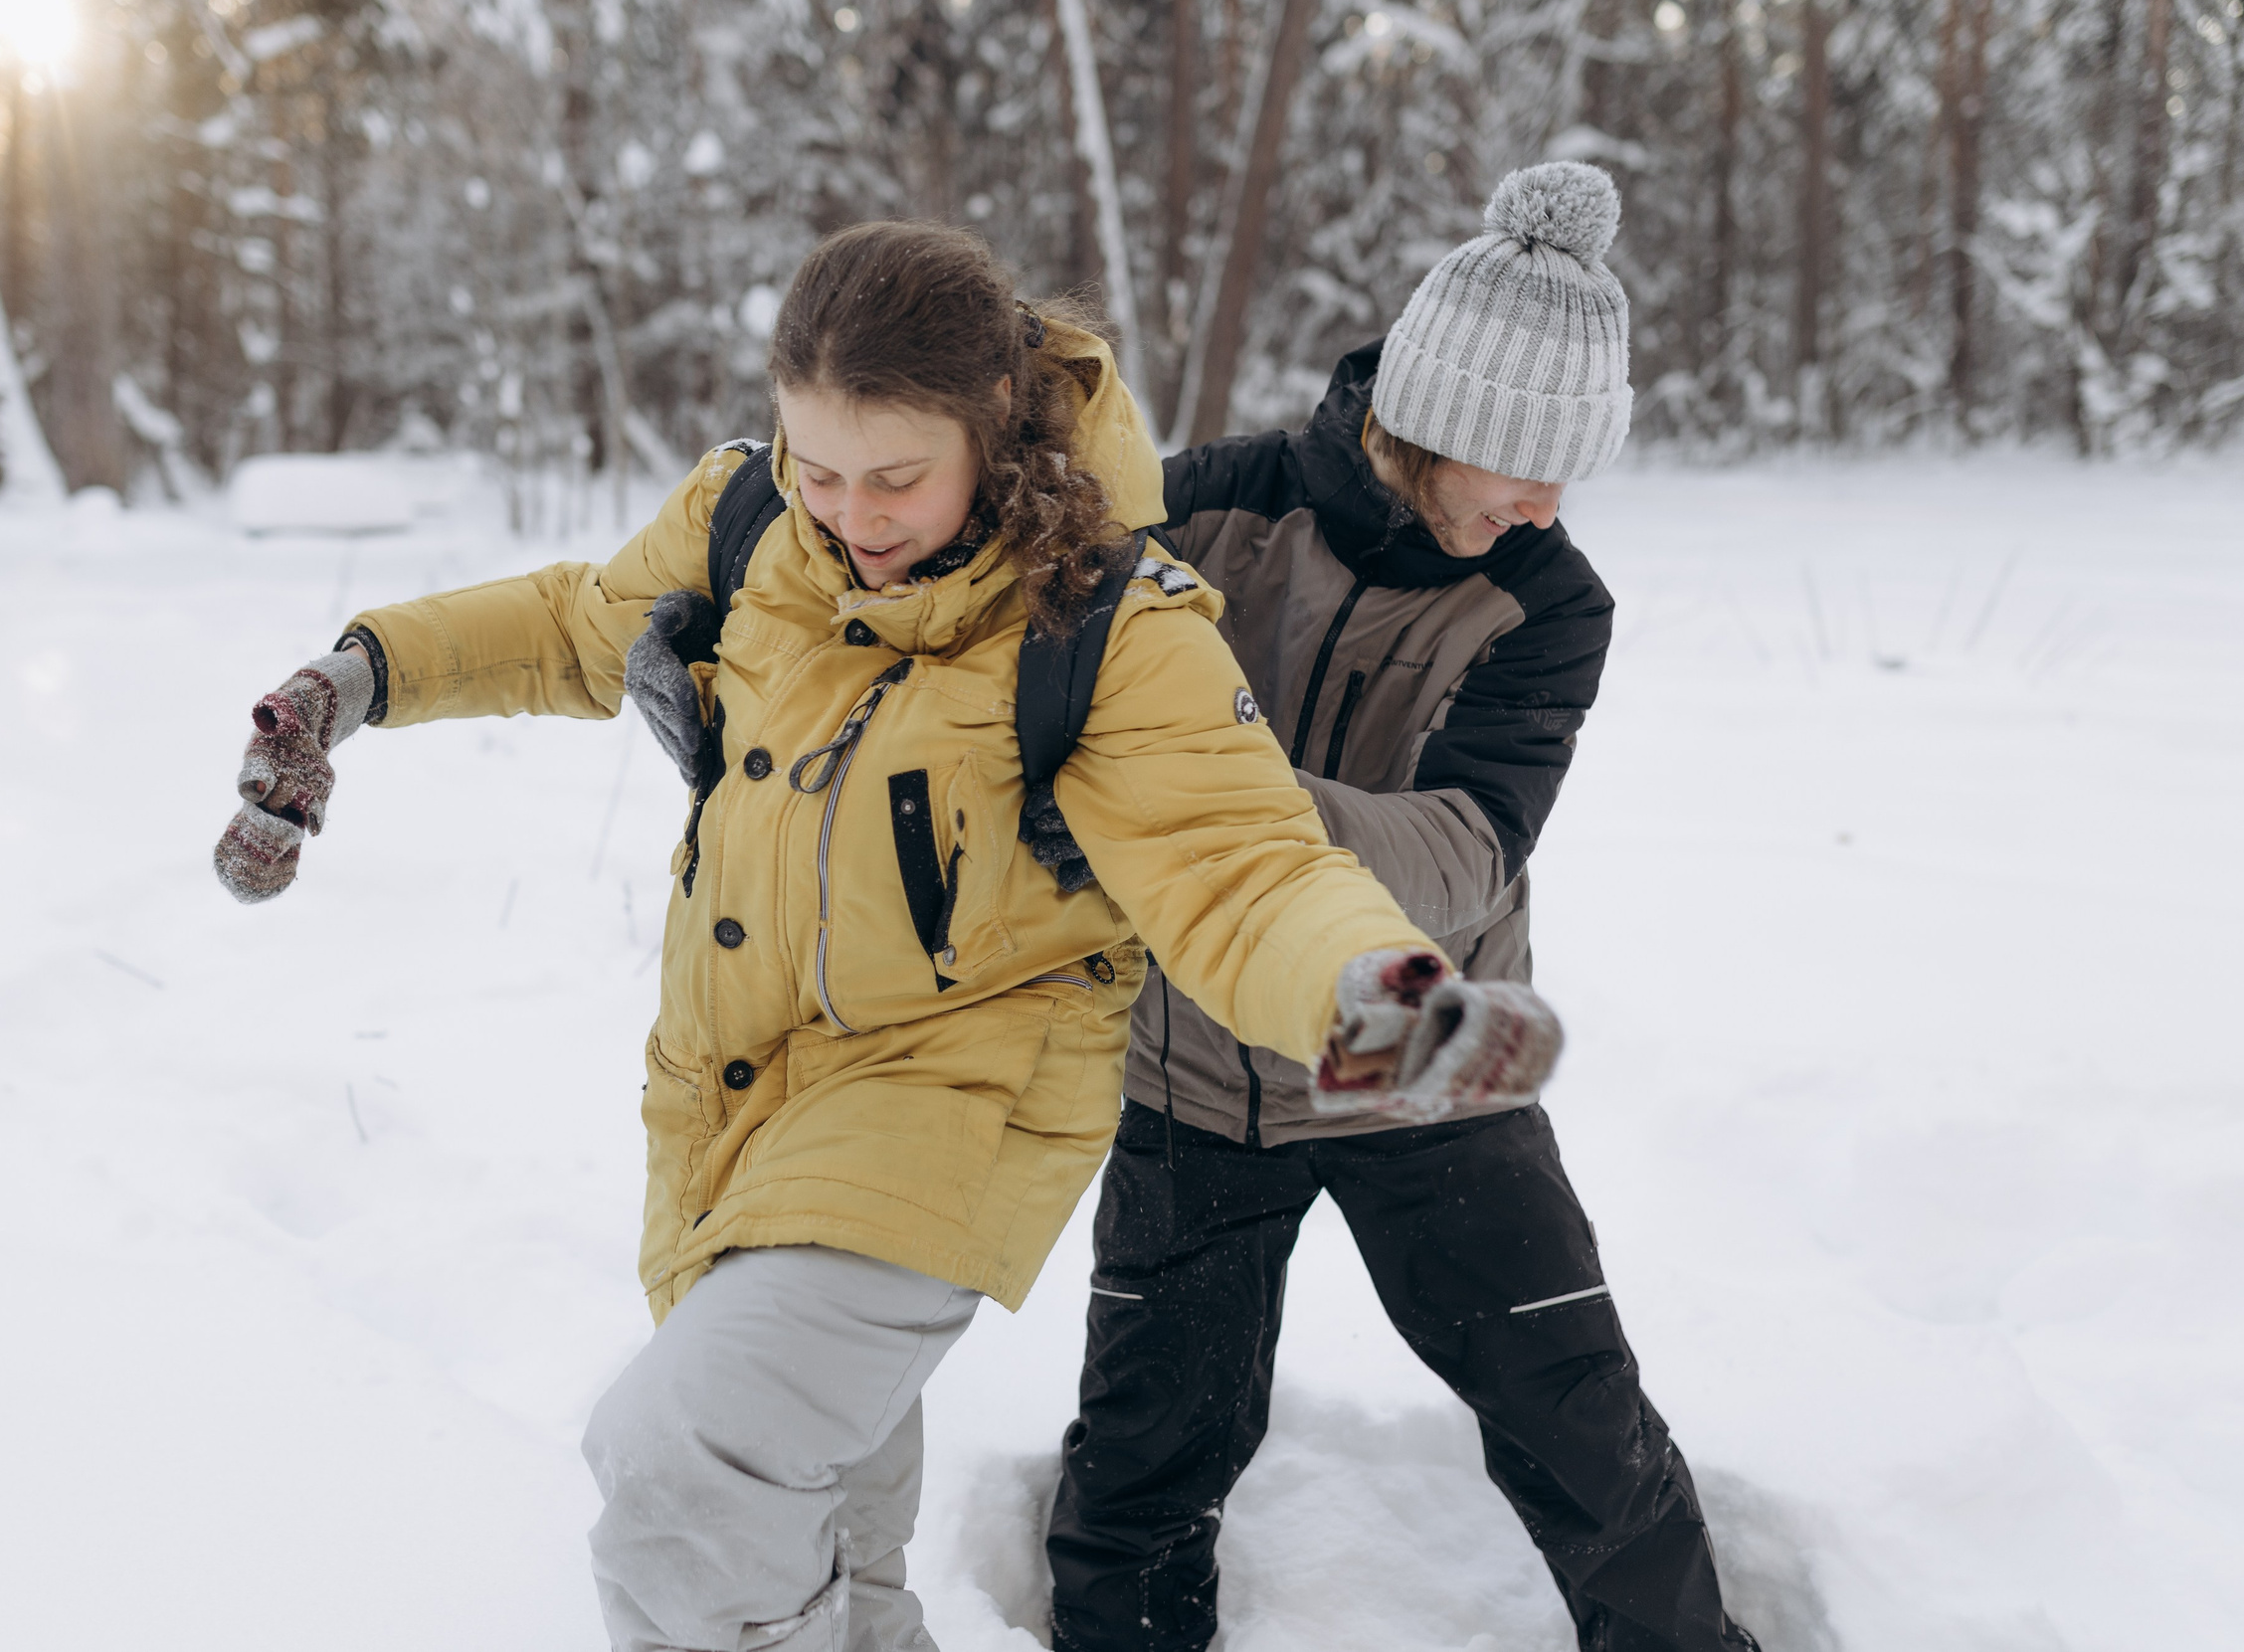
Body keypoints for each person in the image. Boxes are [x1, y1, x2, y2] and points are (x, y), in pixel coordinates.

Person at [210, 222, 1553, 1652]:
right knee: (831, 1559)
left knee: (686, 1468)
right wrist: (353, 678)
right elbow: (570, 626)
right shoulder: (749, 524)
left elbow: (1242, 867)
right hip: (729, 1103)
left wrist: (1383, 994)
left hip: (950, 1101)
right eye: (819, 465)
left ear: (996, 433)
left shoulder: (1108, 626)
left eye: (897, 476)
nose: (849, 511)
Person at [1046, 164, 1764, 1651]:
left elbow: (1466, 848)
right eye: (1528, 466)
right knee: (1140, 1467)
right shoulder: (1199, 507)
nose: (1549, 506)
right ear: (1450, 422)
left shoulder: (1550, 604)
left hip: (1427, 1060)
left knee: (1583, 1435)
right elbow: (1010, 658)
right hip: (1194, 1069)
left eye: (1572, 473)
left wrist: (1208, 802)